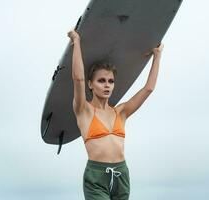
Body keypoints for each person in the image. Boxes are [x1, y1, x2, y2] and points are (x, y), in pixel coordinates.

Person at [67, 28, 164, 200]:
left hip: (121, 174)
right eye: (101, 80)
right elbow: (78, 79)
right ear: (91, 84)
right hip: (96, 177)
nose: (107, 85)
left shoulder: (121, 112)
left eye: (111, 81)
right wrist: (77, 42)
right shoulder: (84, 110)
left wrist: (157, 56)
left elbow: (148, 88)